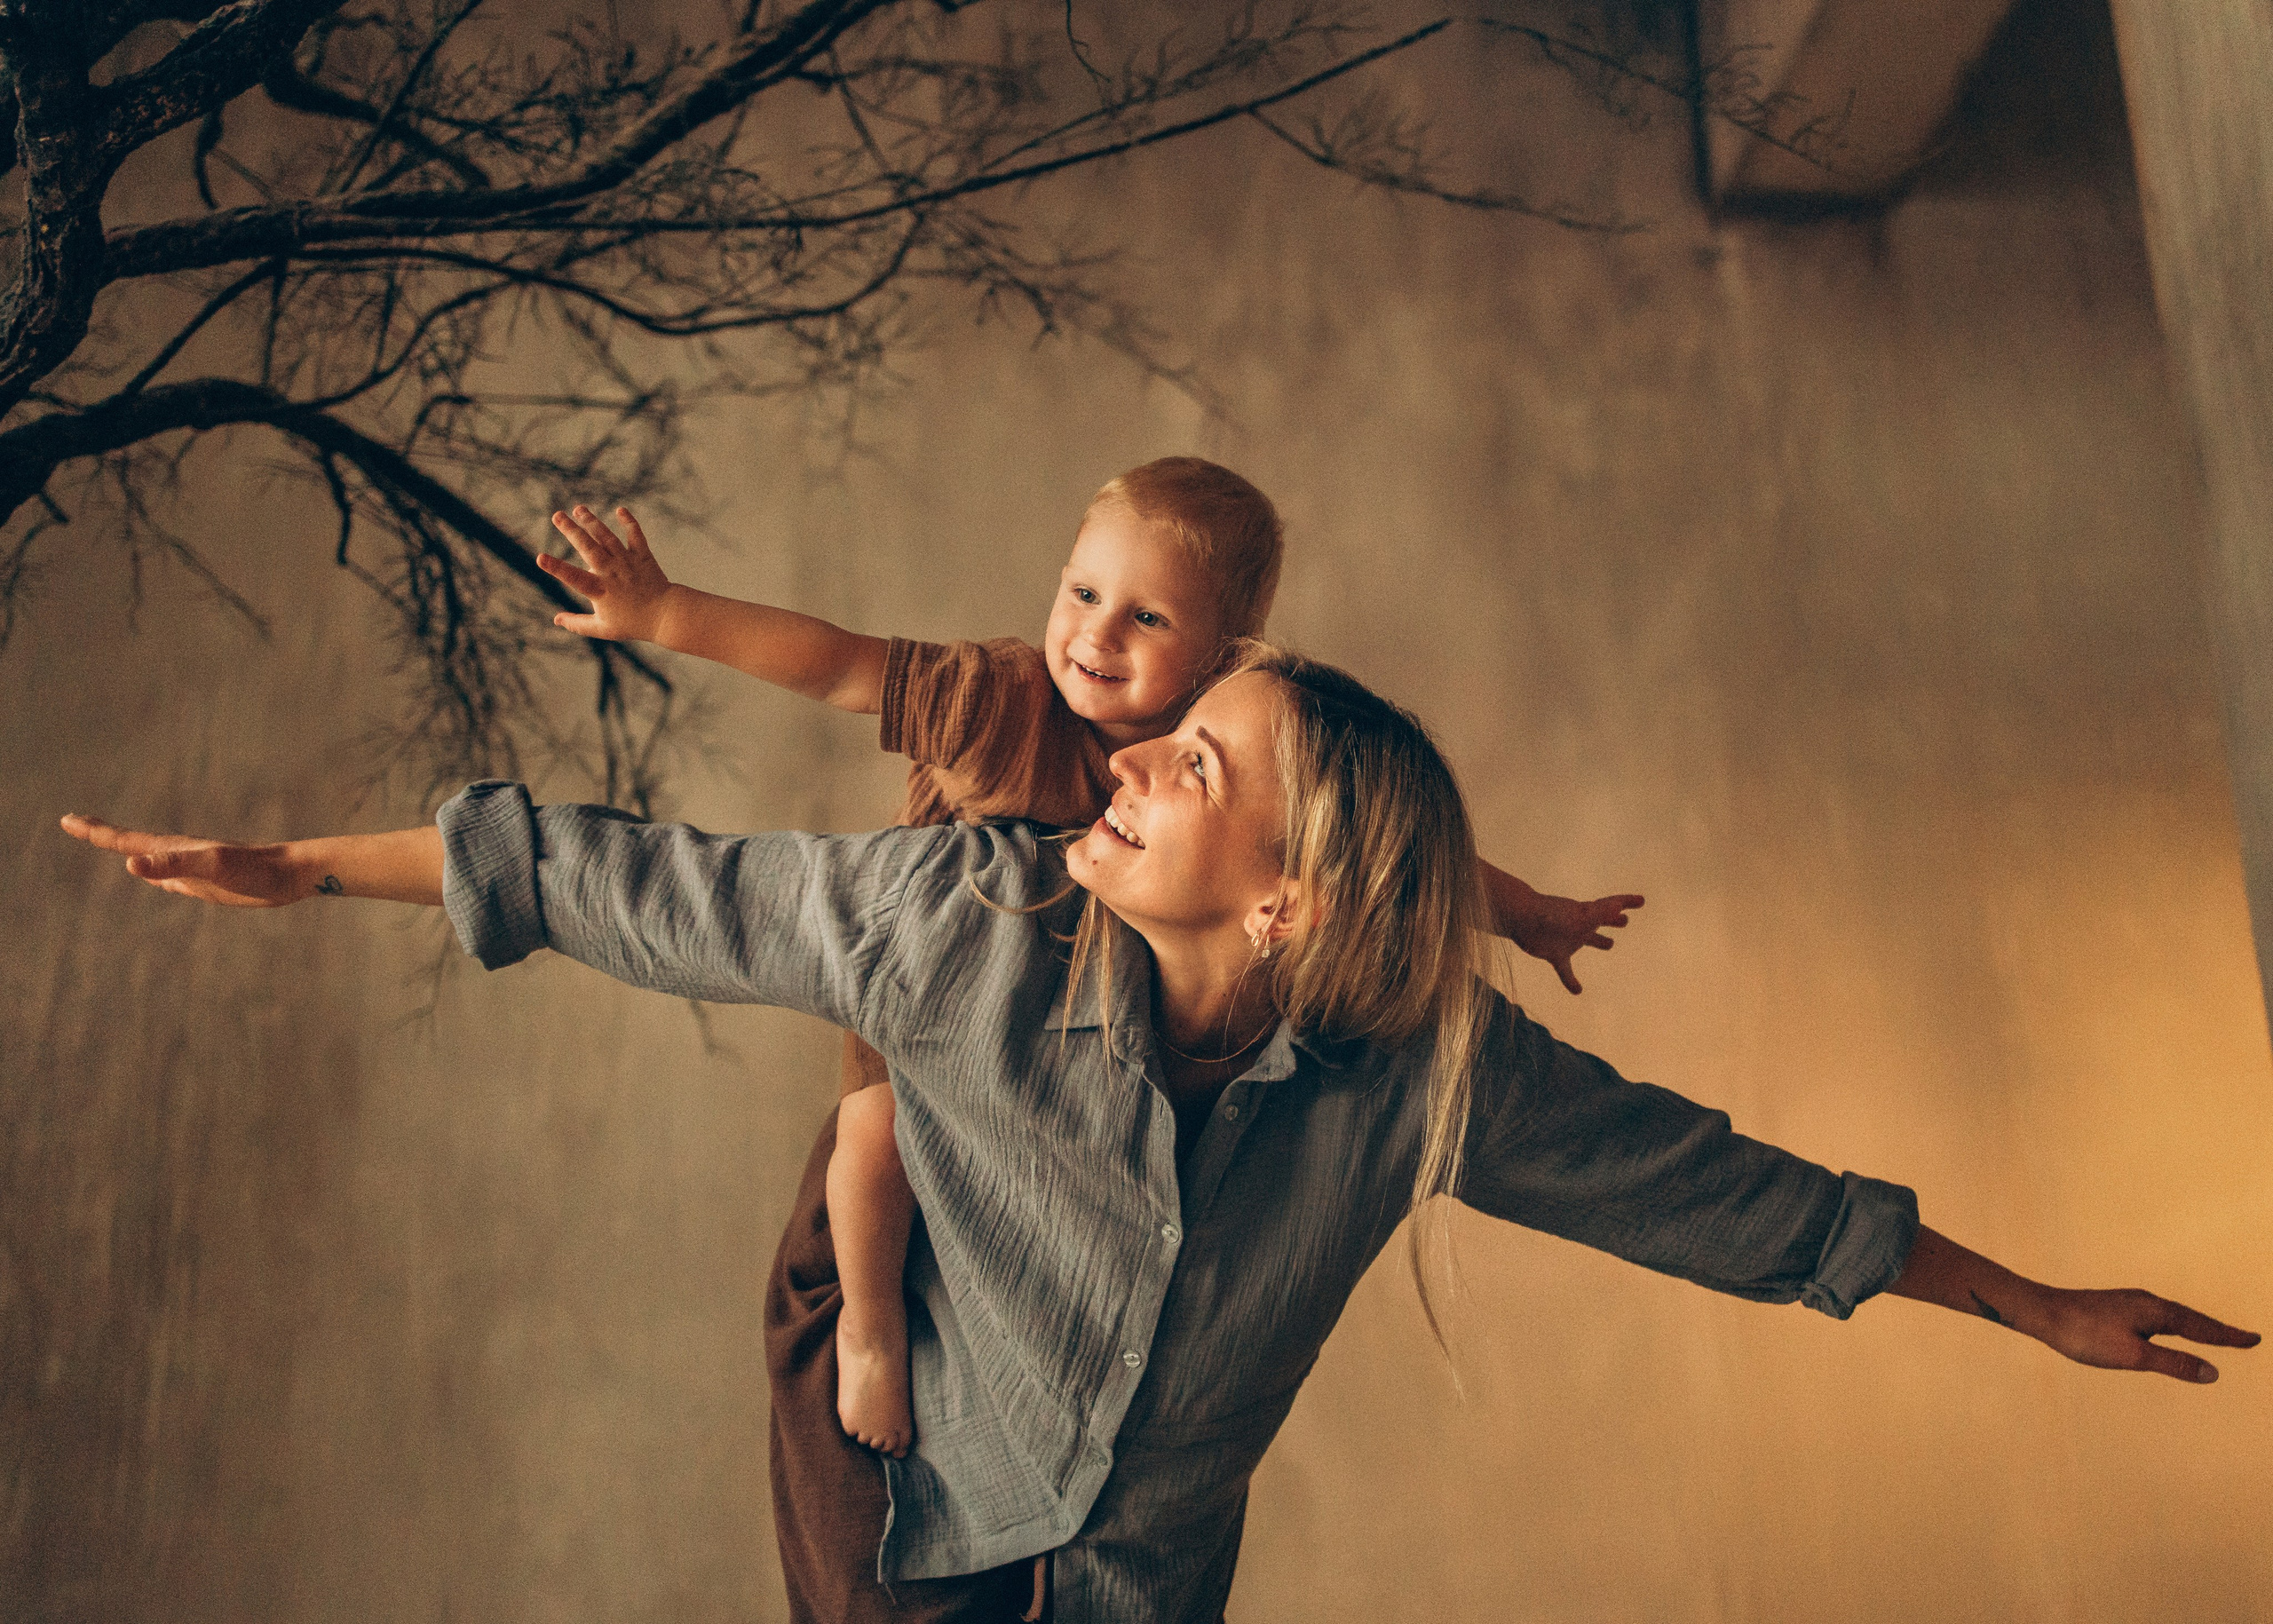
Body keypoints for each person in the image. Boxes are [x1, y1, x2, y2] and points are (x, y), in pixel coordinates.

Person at [59, 646, 2257, 1624]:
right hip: (887, 1445)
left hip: (1122, 1572)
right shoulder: (964, 917)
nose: (1125, 759)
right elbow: (653, 883)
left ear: (1284, 900)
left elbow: (1710, 1190)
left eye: (1192, 763)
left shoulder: (1417, 1077)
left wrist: (2023, 1298)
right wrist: (304, 867)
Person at [535, 459, 1643, 1459]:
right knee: (875, 1138)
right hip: (935, 1001)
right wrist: (667, 611)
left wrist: (1528, 912)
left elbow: (1372, 845)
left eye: (1145, 615)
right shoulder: (1003, 701)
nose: (1094, 635)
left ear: (1224, 657)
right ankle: (872, 1332)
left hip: (1073, 1039)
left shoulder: (1232, 740)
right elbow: (838, 666)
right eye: (1081, 591)